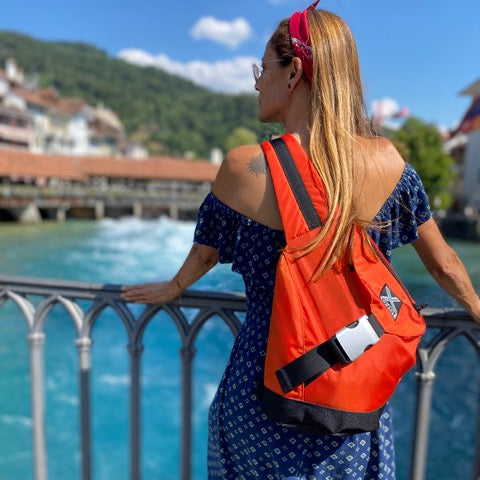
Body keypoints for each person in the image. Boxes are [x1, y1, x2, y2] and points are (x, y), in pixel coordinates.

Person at [122, 2, 480, 478]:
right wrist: (474, 307)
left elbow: (206, 251)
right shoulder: (389, 165)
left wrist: (173, 287)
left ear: (292, 73)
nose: (256, 81)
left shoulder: (242, 169)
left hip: (263, 395)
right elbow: (445, 266)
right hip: (349, 398)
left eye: (262, 68)